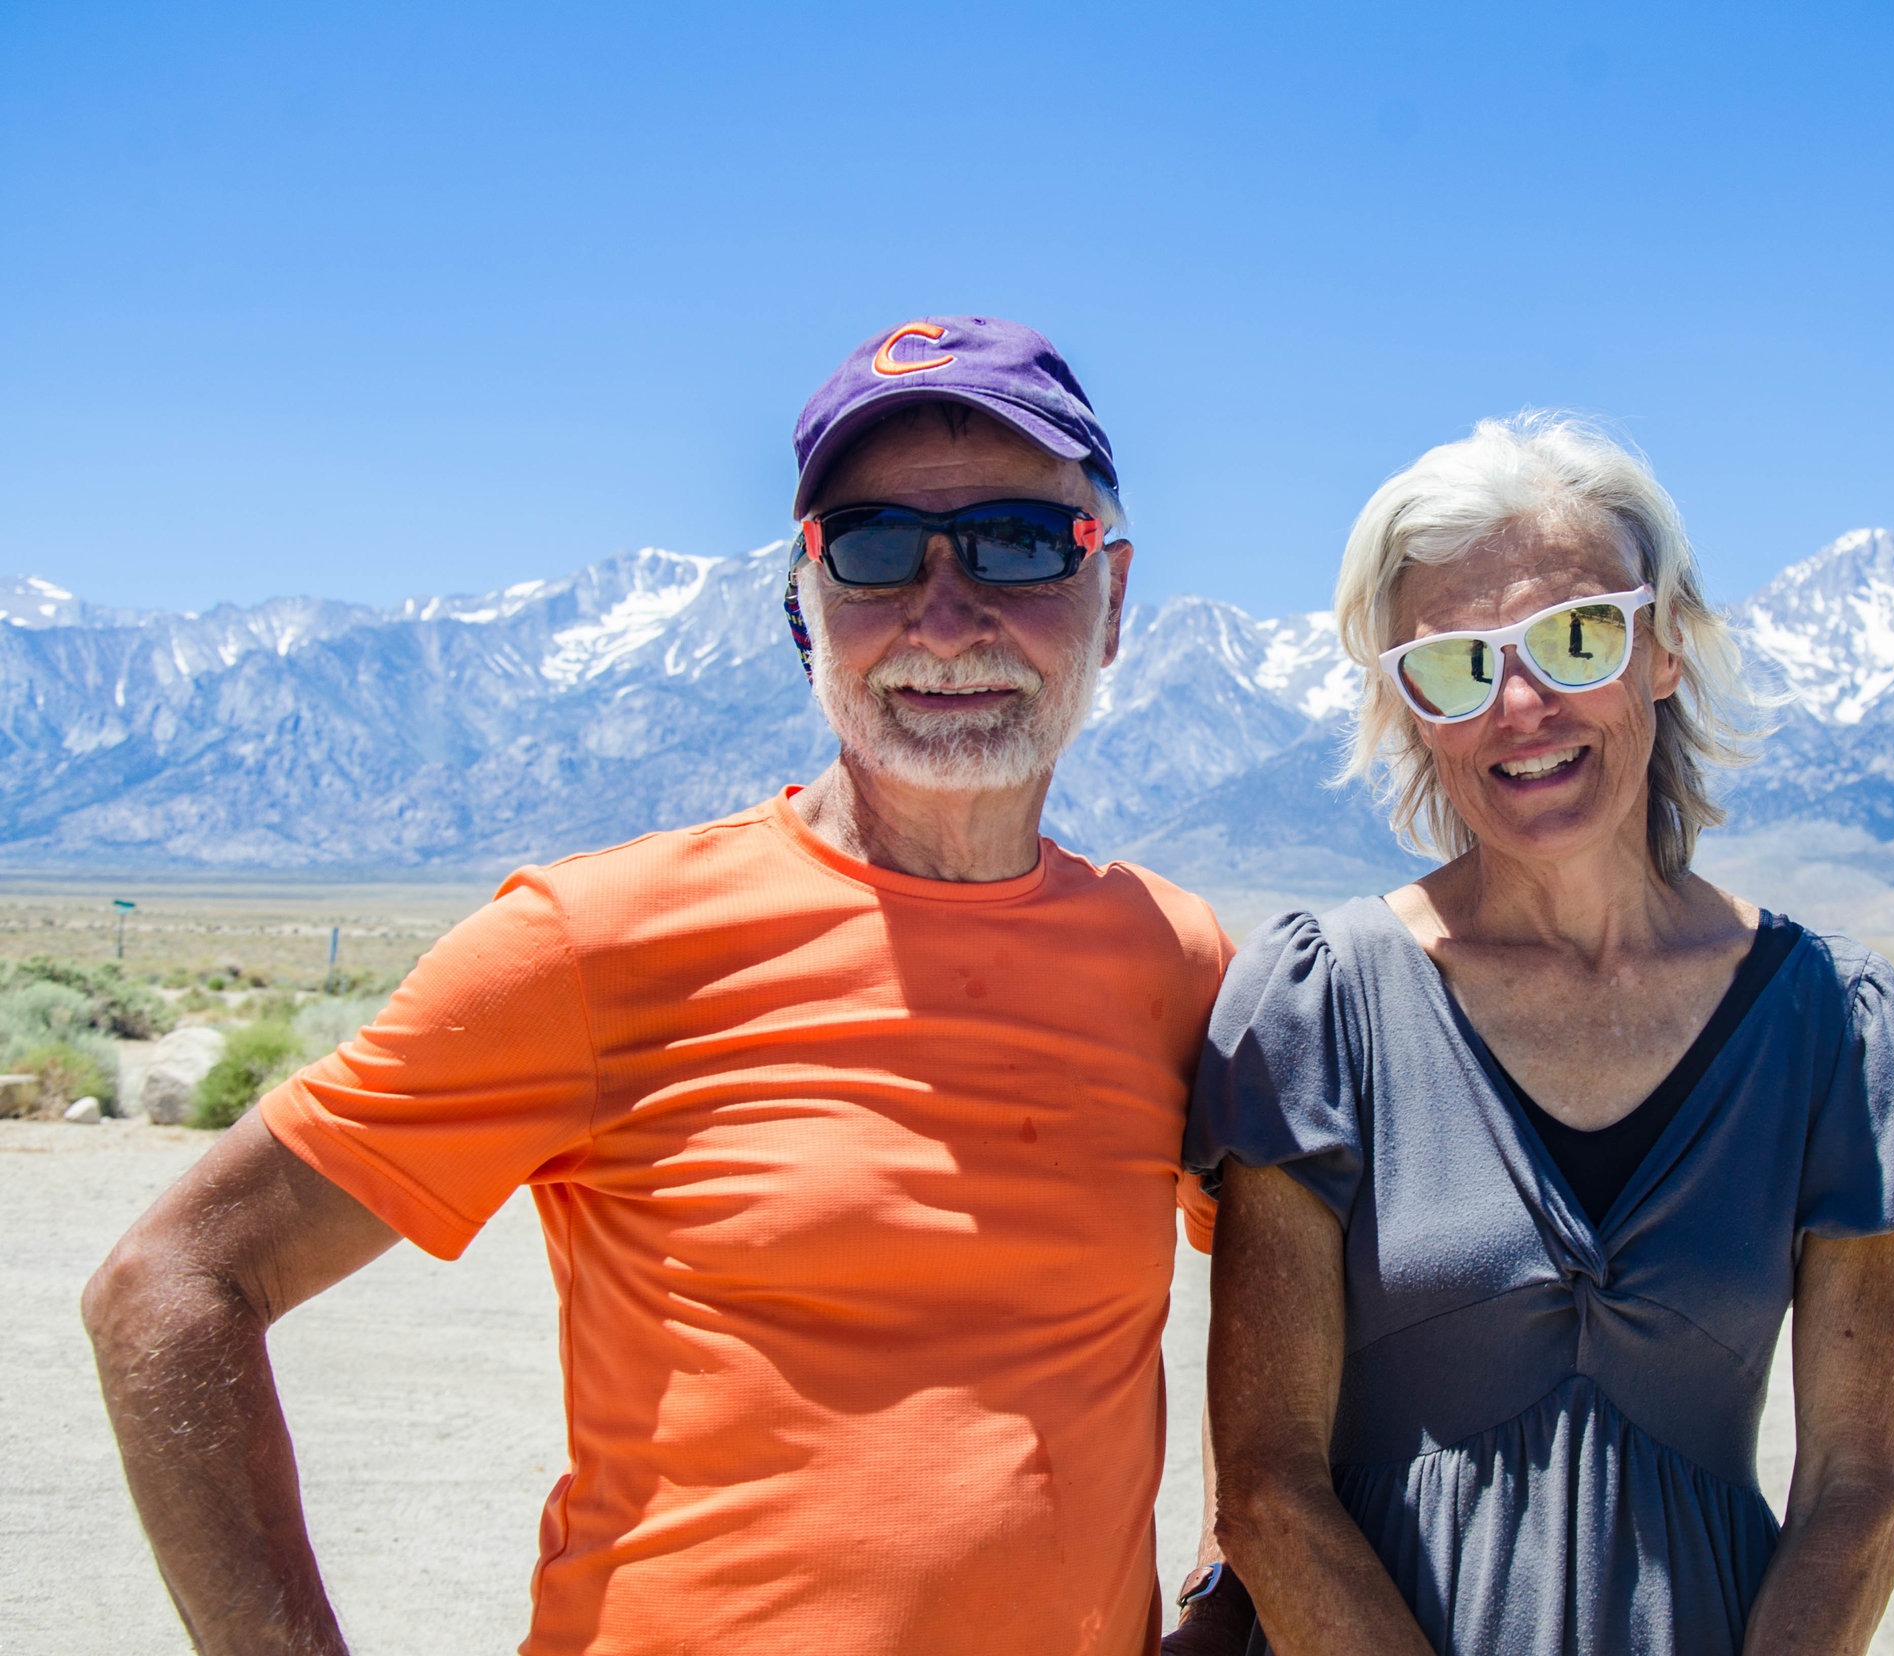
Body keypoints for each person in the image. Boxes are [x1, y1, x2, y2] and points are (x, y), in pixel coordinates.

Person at [84, 316, 1232, 1656]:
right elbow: (172, 1285)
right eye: (870, 548)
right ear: (806, 604)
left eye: (1021, 543)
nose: (945, 612)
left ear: (1116, 596)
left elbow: (1299, 1305)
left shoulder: (1178, 962)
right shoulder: (589, 944)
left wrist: (1226, 1588)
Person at [1182, 413, 1894, 1655]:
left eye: (1576, 636)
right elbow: (1267, 1486)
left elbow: (1856, 1491)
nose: (1523, 704)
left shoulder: (1831, 1022)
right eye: (1453, 665)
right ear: (1409, 709)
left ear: (1661, 649)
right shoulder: (1319, 1002)